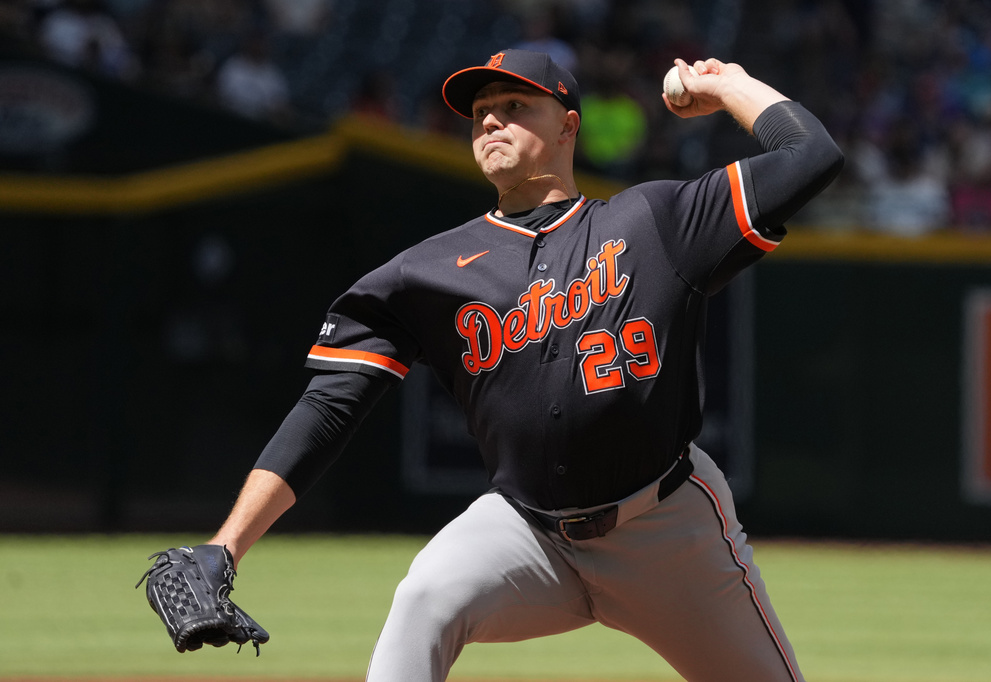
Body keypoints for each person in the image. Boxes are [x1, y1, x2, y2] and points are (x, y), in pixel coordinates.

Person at [197, 49, 843, 680]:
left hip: (667, 532)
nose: (489, 121)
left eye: (513, 105)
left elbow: (810, 157)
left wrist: (730, 86)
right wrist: (226, 544)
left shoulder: (655, 221)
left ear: (568, 124)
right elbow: (328, 406)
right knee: (422, 599)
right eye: (479, 111)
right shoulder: (427, 273)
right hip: (526, 532)